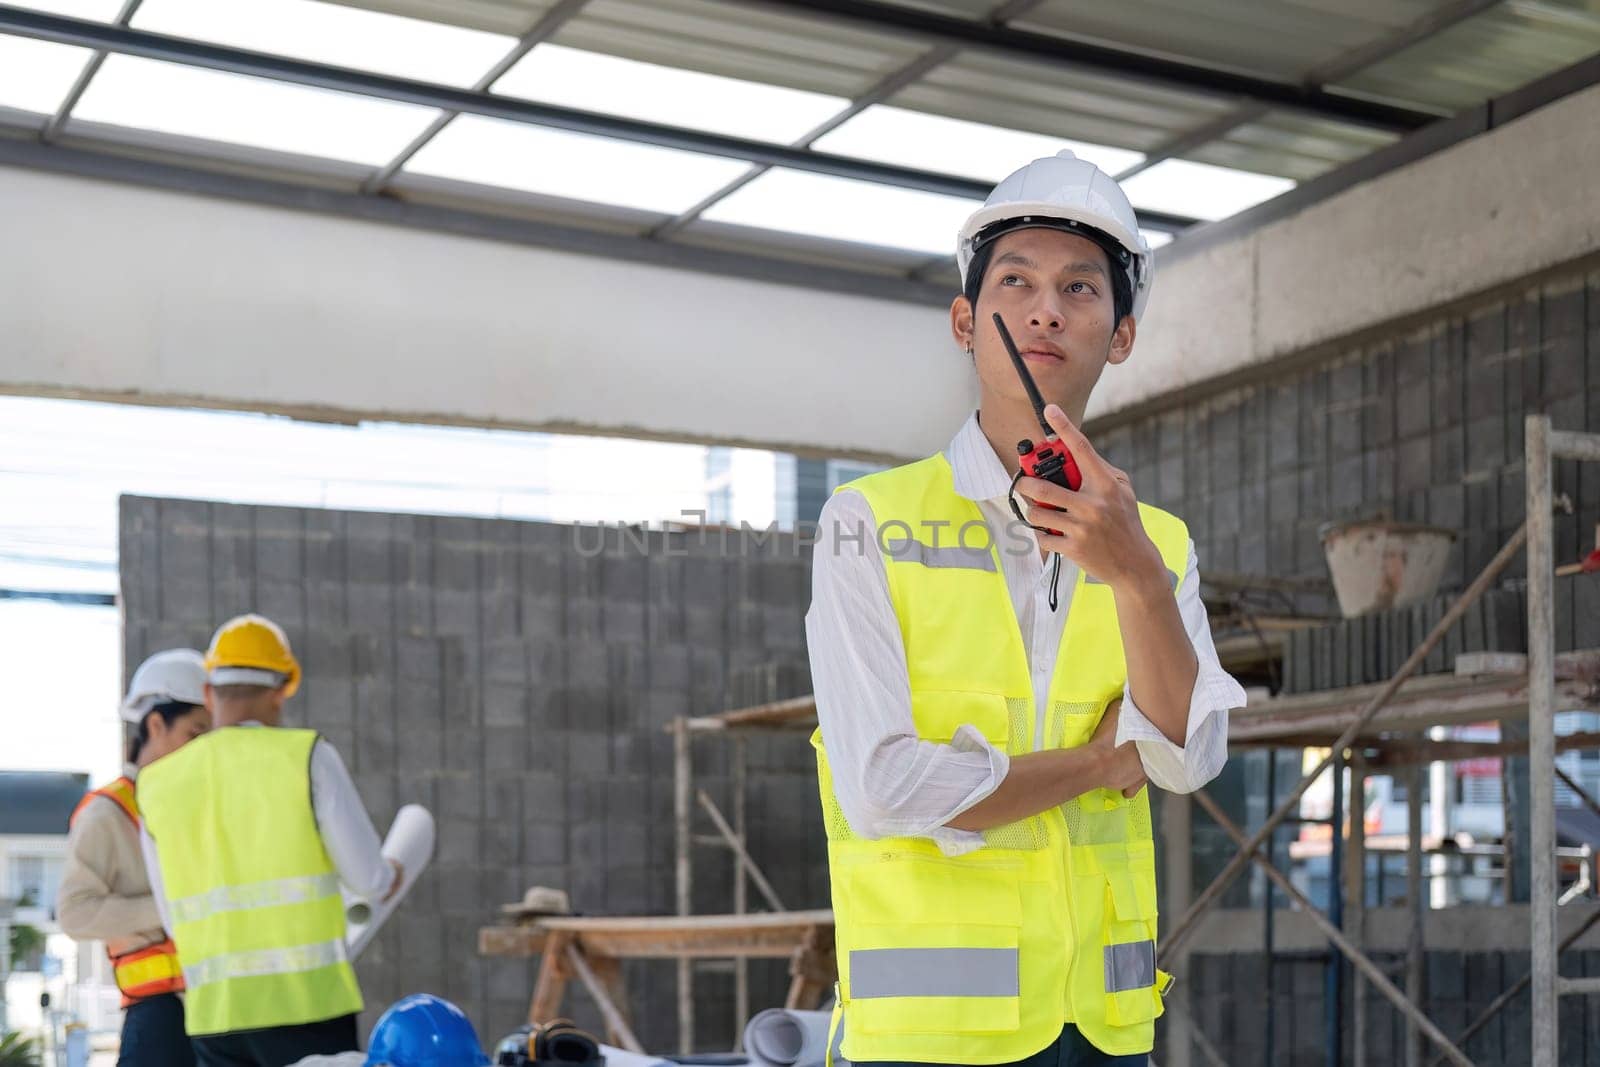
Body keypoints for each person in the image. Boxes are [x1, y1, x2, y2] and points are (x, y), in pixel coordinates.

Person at [806, 150, 1249, 1066]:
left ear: (1121, 334)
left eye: (1083, 288)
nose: (1047, 309)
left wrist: (1134, 577)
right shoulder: (868, 523)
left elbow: (1188, 753)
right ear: (967, 321)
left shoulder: (1157, 542)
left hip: (1100, 1030)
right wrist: (1098, 759)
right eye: (1017, 281)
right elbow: (887, 786)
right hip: (925, 1041)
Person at [138, 613, 403, 1067]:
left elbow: (171, 915)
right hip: (308, 1008)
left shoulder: (156, 786)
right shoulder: (307, 757)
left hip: (214, 1017)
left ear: (208, 693)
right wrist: (392, 870)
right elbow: (371, 879)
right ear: (282, 690)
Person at [58, 649, 212, 1067]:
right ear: (155, 723)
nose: (203, 751)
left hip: (220, 1005)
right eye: (195, 734)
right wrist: (169, 910)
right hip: (159, 1015)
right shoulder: (107, 814)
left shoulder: (201, 808)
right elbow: (74, 913)